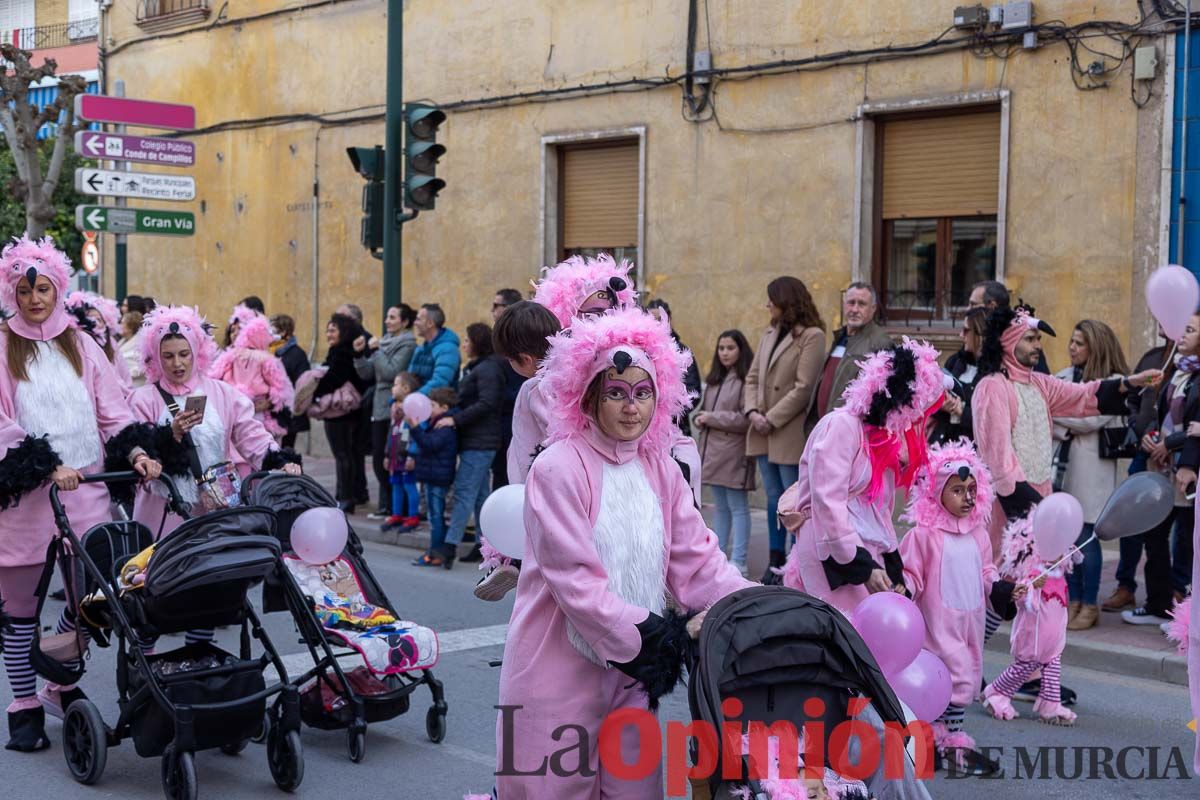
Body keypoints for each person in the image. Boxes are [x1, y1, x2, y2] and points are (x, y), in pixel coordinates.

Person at [495, 307, 753, 797]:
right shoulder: (558, 467)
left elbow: (698, 560)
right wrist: (660, 637)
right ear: (589, 398)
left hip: (632, 676)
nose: (631, 407)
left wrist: (752, 602)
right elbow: (575, 581)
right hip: (556, 667)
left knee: (634, 791)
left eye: (642, 393)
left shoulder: (660, 467)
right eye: (615, 393)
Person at [0, 235, 163, 752]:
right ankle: (23, 705)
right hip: (26, 502)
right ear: (12, 292)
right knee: (20, 609)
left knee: (93, 598)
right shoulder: (3, 346)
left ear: (57, 288)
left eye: (43, 288)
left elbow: (113, 411)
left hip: (87, 493)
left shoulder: (82, 343)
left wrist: (135, 452)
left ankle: (59, 680)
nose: (34, 299)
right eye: (25, 291)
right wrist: (47, 464)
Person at [780, 338, 946, 613]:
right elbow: (827, 502)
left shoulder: (882, 437)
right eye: (913, 406)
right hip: (831, 548)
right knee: (842, 631)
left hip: (863, 551)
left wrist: (892, 564)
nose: (914, 416)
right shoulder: (841, 426)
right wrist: (860, 565)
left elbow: (879, 509)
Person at [972, 304, 1158, 534]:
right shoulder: (992, 387)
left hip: (1041, 498)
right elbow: (999, 461)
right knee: (1004, 567)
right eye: (1030, 339)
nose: (1038, 345)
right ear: (1009, 342)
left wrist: (1131, 382)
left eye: (1038, 339)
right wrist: (1035, 508)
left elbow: (1082, 396)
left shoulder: (1040, 383)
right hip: (1009, 507)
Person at [898, 440, 1020, 775]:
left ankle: (951, 739)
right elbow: (911, 573)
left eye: (971, 489)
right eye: (956, 490)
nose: (967, 497)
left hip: (970, 622)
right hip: (936, 624)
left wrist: (1000, 588)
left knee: (966, 675)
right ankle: (932, 738)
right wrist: (904, 588)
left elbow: (986, 570)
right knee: (939, 679)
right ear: (937, 492)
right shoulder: (924, 536)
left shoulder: (978, 533)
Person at [128, 306, 302, 537]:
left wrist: (279, 461)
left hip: (217, 512)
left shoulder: (222, 393)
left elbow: (251, 436)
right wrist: (171, 434)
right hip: (163, 514)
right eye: (168, 356)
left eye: (184, 353)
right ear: (157, 359)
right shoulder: (142, 399)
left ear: (196, 352)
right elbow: (135, 451)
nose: (177, 363)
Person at [743, 277, 827, 583]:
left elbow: (804, 388)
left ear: (785, 301)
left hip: (787, 431)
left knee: (794, 502)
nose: (767, 305)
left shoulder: (812, 336)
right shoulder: (769, 332)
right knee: (772, 498)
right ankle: (775, 559)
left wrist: (771, 418)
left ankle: (796, 561)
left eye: (771, 300)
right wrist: (752, 411)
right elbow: (752, 377)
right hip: (762, 428)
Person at [1052, 320, 1130, 631]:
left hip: (1091, 470)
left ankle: (1089, 603)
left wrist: (1060, 416)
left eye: (1079, 343)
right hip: (1061, 467)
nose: (1072, 347)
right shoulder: (1061, 377)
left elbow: (1089, 422)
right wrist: (1065, 419)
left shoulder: (1114, 383)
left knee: (1086, 537)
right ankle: (1071, 599)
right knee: (1068, 536)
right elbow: (1050, 415)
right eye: (1071, 341)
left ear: (1095, 347)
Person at [1125, 312, 1200, 626]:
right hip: (1162, 464)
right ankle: (1158, 602)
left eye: (1191, 330)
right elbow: (1157, 408)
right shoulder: (1175, 370)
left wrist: (1177, 450)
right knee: (1153, 532)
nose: (1181, 334)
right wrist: (1152, 435)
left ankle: (1183, 608)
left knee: (1185, 539)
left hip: (1187, 468)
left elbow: (1198, 428)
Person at [983, 516, 1076, 726]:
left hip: (1052, 639)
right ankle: (995, 693)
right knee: (1023, 667)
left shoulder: (1059, 572)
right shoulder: (1032, 574)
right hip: (1032, 637)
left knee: (1053, 667)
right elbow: (1023, 600)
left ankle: (1050, 706)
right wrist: (1032, 586)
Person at [1103, 328, 1170, 614]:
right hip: (1144, 454)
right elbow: (1133, 400)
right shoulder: (1152, 357)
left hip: (1174, 457)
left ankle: (1175, 591)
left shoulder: (1191, 361)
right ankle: (1126, 585)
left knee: (1174, 532)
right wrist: (1138, 428)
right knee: (1130, 518)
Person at [430, 322, 506, 567]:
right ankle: (486, 545)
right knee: (480, 496)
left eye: (467, 340)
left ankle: (449, 546)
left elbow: (487, 403)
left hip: (480, 441)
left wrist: (455, 419)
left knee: (464, 492)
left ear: (477, 342)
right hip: (476, 439)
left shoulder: (487, 369)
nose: (463, 344)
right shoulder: (478, 367)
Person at [695, 329, 756, 576]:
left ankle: (739, 559)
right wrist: (703, 418)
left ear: (740, 350)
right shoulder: (715, 380)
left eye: (730, 348)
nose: (725, 353)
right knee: (721, 507)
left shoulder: (745, 380)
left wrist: (711, 417)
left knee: (738, 507)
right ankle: (718, 556)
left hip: (734, 451)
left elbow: (744, 418)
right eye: (721, 348)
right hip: (714, 451)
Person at [354, 303, 417, 519]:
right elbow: (368, 373)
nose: (387, 321)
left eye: (392, 317)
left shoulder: (407, 343)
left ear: (404, 322)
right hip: (380, 405)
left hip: (393, 406)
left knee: (391, 458)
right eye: (387, 317)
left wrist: (376, 351)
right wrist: (360, 355)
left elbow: (391, 371)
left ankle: (394, 506)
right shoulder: (383, 343)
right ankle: (387, 504)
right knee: (380, 458)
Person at [806, 282, 894, 425]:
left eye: (861, 304)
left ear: (873, 309)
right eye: (851, 303)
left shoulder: (880, 342)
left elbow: (884, 399)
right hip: (824, 429)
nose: (854, 309)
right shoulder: (840, 337)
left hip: (849, 432)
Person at [313, 313, 370, 512]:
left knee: (342, 454)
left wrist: (314, 393)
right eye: (327, 330)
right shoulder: (342, 350)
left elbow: (334, 379)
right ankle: (346, 495)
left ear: (343, 332)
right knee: (348, 454)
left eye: (333, 330)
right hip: (348, 412)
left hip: (340, 413)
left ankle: (346, 498)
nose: (328, 334)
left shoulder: (341, 352)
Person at [210, 314, 295, 443]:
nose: (235, 334)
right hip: (252, 414)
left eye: (240, 330)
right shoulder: (266, 358)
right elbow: (280, 389)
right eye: (232, 330)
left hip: (239, 413)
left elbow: (213, 378)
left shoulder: (231, 356)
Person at [408, 388, 459, 567]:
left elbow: (430, 445)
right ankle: (437, 551)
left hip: (437, 478)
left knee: (435, 517)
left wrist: (415, 429)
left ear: (444, 407)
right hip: (433, 476)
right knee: (435, 515)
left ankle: (435, 553)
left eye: (432, 405)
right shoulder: (434, 422)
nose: (428, 408)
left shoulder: (443, 427)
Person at [930, 307, 987, 443]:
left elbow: (993, 423)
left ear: (980, 334)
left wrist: (962, 411)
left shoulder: (994, 373)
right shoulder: (955, 361)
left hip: (974, 450)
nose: (961, 335)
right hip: (944, 443)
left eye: (966, 330)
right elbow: (933, 407)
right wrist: (942, 404)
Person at [645, 299, 702, 435]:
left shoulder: (682, 351)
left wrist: (668, 412)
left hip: (677, 428)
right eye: (652, 319)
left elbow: (693, 391)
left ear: (669, 319)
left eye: (660, 319)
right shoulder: (640, 350)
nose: (657, 323)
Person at [968, 280, 1050, 374]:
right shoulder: (968, 347)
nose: (968, 309)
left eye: (973, 304)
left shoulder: (1020, 344)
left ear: (992, 306)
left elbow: (1039, 381)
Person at [64, 290, 134, 396]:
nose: (95, 322)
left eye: (99, 319)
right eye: (91, 318)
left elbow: (124, 375)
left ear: (106, 324)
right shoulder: (78, 343)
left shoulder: (111, 345)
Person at [491, 288, 527, 491]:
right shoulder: (500, 336)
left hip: (515, 413)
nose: (492, 310)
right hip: (502, 416)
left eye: (497, 306)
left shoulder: (518, 338)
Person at [382, 372, 423, 532]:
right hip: (394, 456)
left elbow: (415, 435)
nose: (392, 388)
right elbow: (391, 433)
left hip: (407, 457)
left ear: (406, 389)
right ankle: (397, 514)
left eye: (395, 384)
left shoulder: (412, 410)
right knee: (396, 485)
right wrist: (386, 454)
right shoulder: (394, 409)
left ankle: (413, 517)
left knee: (409, 485)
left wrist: (412, 455)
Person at [271, 314, 311, 449]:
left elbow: (303, 384)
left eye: (273, 330)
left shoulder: (297, 354)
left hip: (290, 413)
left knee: (287, 450)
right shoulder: (271, 352)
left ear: (283, 332)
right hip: (274, 412)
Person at [409, 303, 461, 396]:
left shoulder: (448, 350)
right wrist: (396, 400)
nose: (414, 323)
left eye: (418, 319)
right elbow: (408, 380)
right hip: (417, 403)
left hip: (439, 406)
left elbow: (440, 382)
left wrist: (413, 399)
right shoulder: (420, 349)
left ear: (430, 323)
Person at [118, 310, 146, 389]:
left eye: (122, 323)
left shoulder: (140, 344)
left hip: (136, 387)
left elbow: (144, 366)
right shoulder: (122, 341)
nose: (119, 325)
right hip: (123, 385)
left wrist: (126, 374)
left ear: (130, 327)